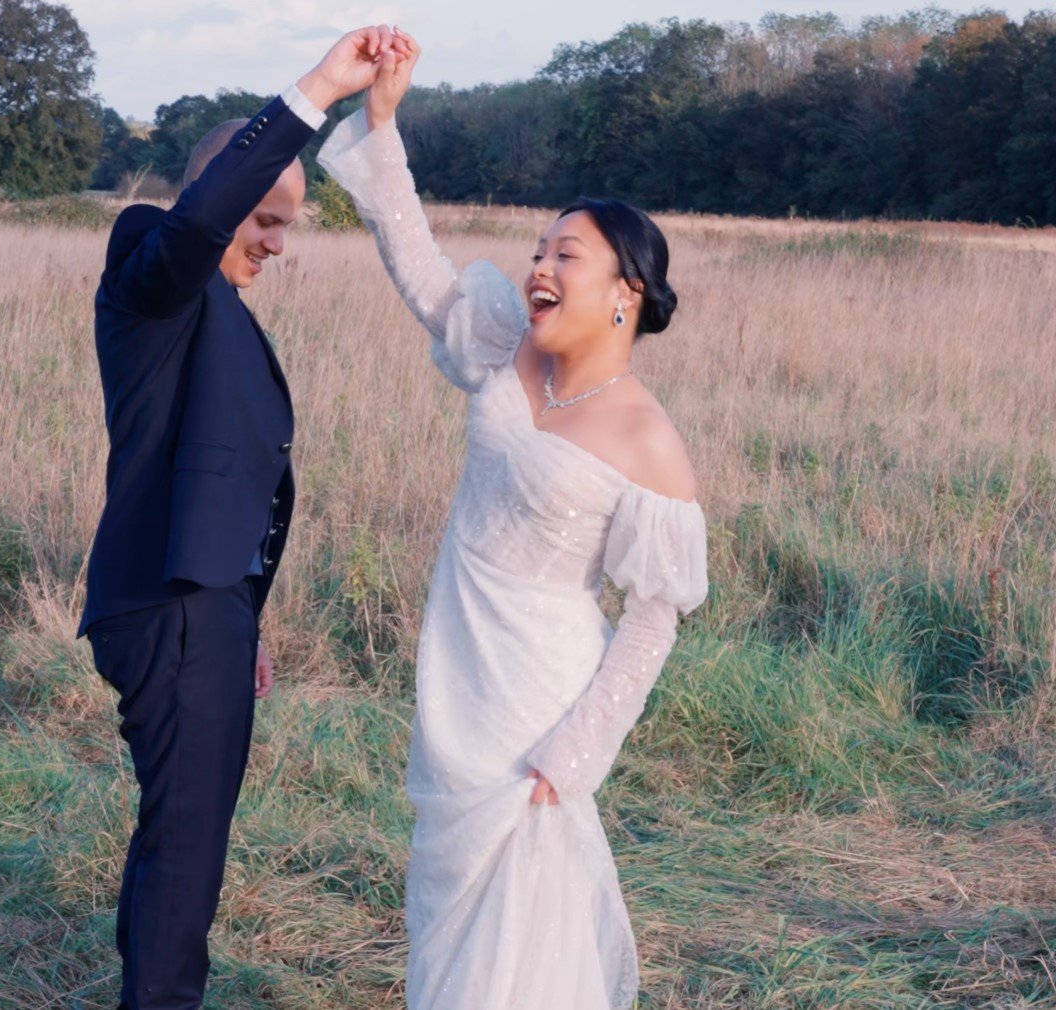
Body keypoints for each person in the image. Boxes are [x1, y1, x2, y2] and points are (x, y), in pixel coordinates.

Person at [317, 29, 711, 1009]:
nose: (538, 264)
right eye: (537, 249)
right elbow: (414, 257)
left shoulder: (647, 442)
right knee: (449, 899)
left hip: (538, 693)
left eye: (563, 254)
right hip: (458, 660)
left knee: (524, 907)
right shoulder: (507, 348)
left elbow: (653, 617)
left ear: (625, 290)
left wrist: (571, 754)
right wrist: (382, 117)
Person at [77, 25, 402, 1010]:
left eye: (285, 225)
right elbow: (197, 222)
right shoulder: (152, 265)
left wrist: (242, 613)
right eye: (261, 216)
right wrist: (315, 94)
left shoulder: (211, 309)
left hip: (206, 606)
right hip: (169, 603)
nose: (272, 241)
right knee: (186, 848)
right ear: (215, 196)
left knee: (180, 830)